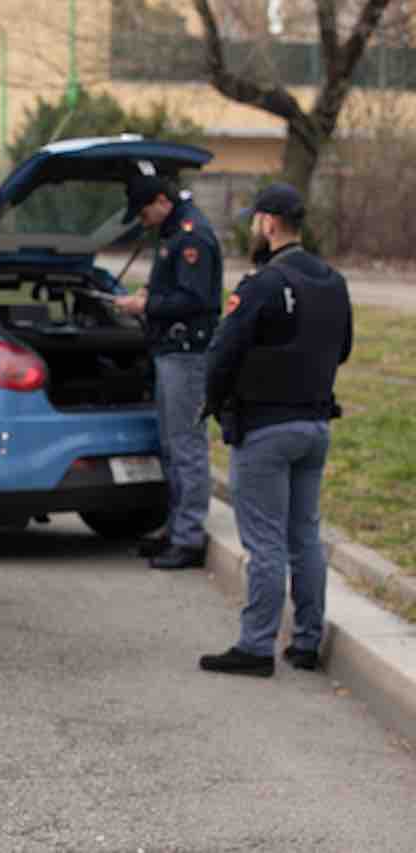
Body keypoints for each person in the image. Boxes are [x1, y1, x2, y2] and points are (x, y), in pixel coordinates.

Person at [198, 183, 352, 677]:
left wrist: (215, 404)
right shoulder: (333, 281)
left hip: (266, 429)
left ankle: (256, 647)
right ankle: (307, 641)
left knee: (263, 542)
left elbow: (222, 354)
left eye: (255, 221)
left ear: (267, 223)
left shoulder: (263, 283)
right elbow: (343, 348)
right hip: (315, 426)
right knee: (303, 536)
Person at [113, 175, 223, 570]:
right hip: (171, 352)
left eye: (144, 212)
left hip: (186, 354)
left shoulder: (192, 235)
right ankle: (175, 527)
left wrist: (145, 306)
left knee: (186, 445)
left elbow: (193, 298)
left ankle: (189, 537)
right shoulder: (176, 229)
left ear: (162, 200)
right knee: (171, 444)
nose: (143, 221)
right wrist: (149, 295)